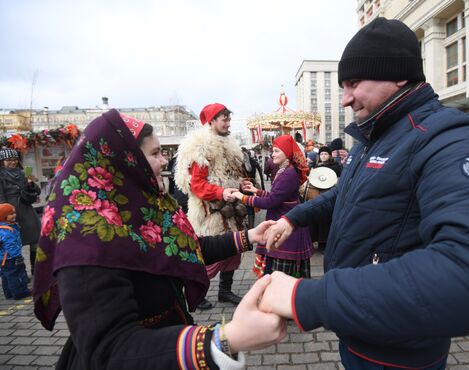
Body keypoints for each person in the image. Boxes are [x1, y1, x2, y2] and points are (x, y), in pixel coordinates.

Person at [259, 18, 469, 370]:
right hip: (359, 332)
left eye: (354, 83)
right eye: (342, 86)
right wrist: (293, 219)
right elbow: (346, 194)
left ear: (399, 75)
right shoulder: (374, 136)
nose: (345, 99)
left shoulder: (451, 137)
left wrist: (305, 297)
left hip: (399, 353)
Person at [33, 109, 286, 370]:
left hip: (169, 339)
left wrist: (250, 236)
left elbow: (185, 249)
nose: (164, 162)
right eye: (155, 154)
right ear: (124, 160)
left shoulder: (138, 207)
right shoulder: (84, 239)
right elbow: (110, 350)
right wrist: (221, 341)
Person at [174, 103, 247, 310]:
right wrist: (220, 192)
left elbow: (231, 176)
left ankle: (225, 291)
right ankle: (195, 294)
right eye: (224, 118)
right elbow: (197, 185)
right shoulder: (201, 147)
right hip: (211, 214)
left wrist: (241, 185)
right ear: (211, 121)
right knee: (208, 258)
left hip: (232, 210)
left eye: (228, 118)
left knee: (234, 251)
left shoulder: (230, 146)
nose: (228, 122)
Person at [233, 135, 313, 278]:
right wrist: (256, 191)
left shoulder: (288, 173)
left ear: (287, 152)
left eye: (277, 151)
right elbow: (276, 196)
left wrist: (242, 197)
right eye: (273, 151)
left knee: (282, 278)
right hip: (284, 224)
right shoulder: (285, 170)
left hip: (287, 231)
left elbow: (270, 202)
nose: (272, 154)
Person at [0, 148, 41, 274]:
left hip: (27, 210)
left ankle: (36, 269)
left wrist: (30, 183)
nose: (12, 162)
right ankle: (21, 273)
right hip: (10, 212)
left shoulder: (23, 173)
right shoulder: (1, 176)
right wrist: (5, 214)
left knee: (36, 239)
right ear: (2, 162)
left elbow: (37, 191)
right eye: (8, 160)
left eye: (14, 160)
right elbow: (1, 197)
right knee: (15, 243)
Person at [0, 203, 31, 300]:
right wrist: (17, 256)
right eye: (10, 214)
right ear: (3, 216)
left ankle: (8, 293)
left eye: (14, 213)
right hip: (11, 257)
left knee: (6, 275)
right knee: (16, 274)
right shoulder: (8, 230)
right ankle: (20, 292)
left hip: (3, 258)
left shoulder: (3, 227)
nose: (14, 215)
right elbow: (10, 245)